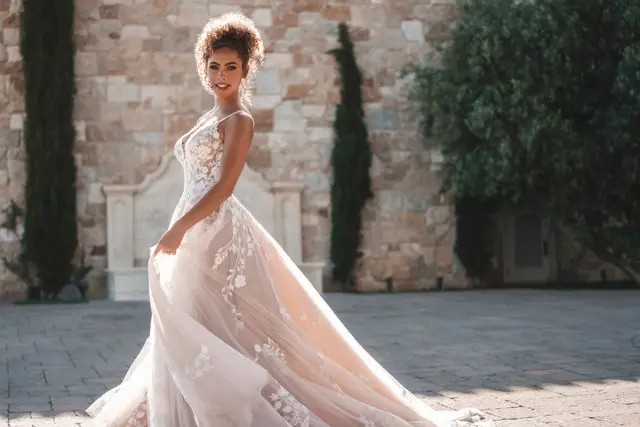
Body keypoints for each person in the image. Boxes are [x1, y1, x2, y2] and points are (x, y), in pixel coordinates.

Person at [86, 12, 494, 427]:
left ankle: (227, 409)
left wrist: (178, 229)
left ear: (246, 70)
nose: (221, 75)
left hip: (213, 231)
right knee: (192, 320)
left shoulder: (238, 121)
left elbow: (224, 187)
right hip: (196, 227)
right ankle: (180, 410)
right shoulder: (207, 119)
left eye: (231, 67)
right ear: (203, 66)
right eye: (214, 66)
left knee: (214, 324)